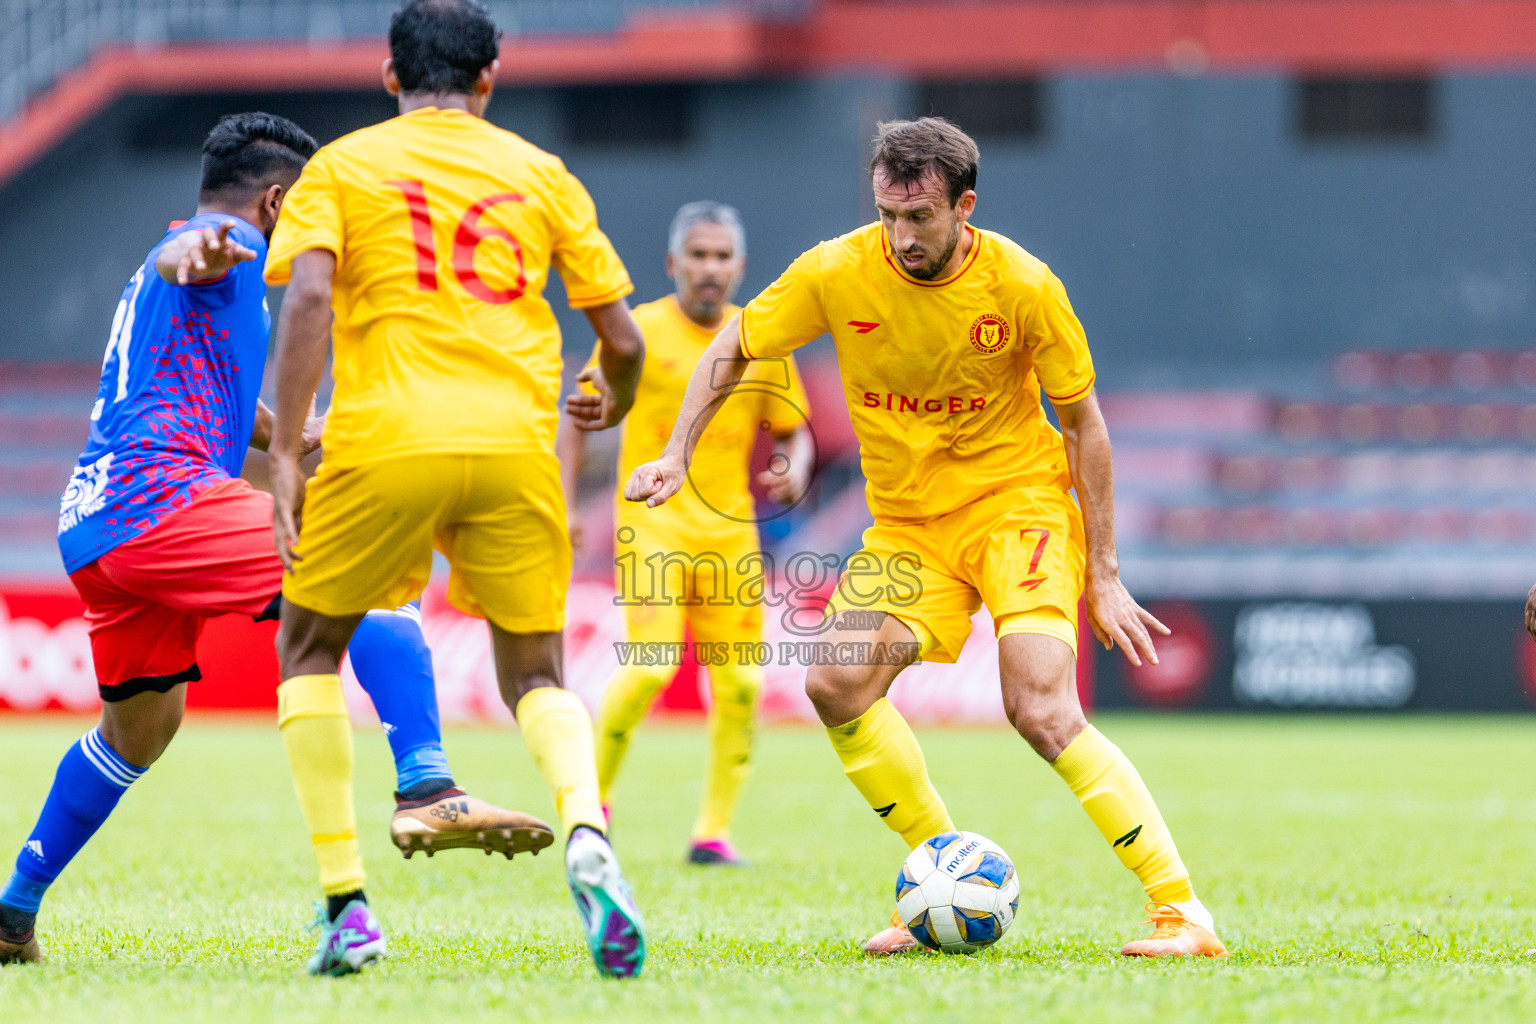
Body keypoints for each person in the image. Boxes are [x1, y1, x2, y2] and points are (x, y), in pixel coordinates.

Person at [624, 117, 1226, 958]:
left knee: (1039, 708)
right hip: (909, 529)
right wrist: (677, 452)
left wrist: (1107, 571)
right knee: (834, 684)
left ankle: (1181, 912)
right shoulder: (836, 271)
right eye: (887, 215)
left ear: (964, 207)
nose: (901, 238)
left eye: (920, 219)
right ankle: (941, 870)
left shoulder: (1023, 285)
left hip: (1018, 510)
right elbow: (737, 345)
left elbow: (1085, 426)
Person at [0, 112, 523, 968]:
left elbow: (214, 400)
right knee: (374, 564)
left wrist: (294, 435)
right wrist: (207, 248)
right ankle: (428, 782)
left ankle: (11, 912)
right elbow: (195, 249)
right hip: (157, 504)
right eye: (315, 207)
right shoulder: (220, 245)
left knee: (139, 731)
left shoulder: (168, 280)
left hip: (98, 523)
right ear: (278, 201)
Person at [263, 0, 648, 979]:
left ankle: (347, 903)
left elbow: (307, 296)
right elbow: (626, 339)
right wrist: (613, 397)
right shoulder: (541, 172)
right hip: (515, 446)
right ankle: (588, 830)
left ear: (390, 77)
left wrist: (284, 454)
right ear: (491, 78)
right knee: (536, 674)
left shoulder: (341, 168)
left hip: (384, 438)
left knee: (307, 645)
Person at [558, 201, 814, 866]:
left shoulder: (760, 341)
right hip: (652, 524)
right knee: (652, 665)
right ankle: (593, 807)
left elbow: (792, 430)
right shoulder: (636, 334)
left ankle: (713, 833)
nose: (709, 268)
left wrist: (796, 465)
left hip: (731, 534)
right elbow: (579, 414)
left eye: (721, 256)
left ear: (740, 267)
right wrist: (566, 504)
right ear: (673, 264)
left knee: (741, 687)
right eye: (697, 255)